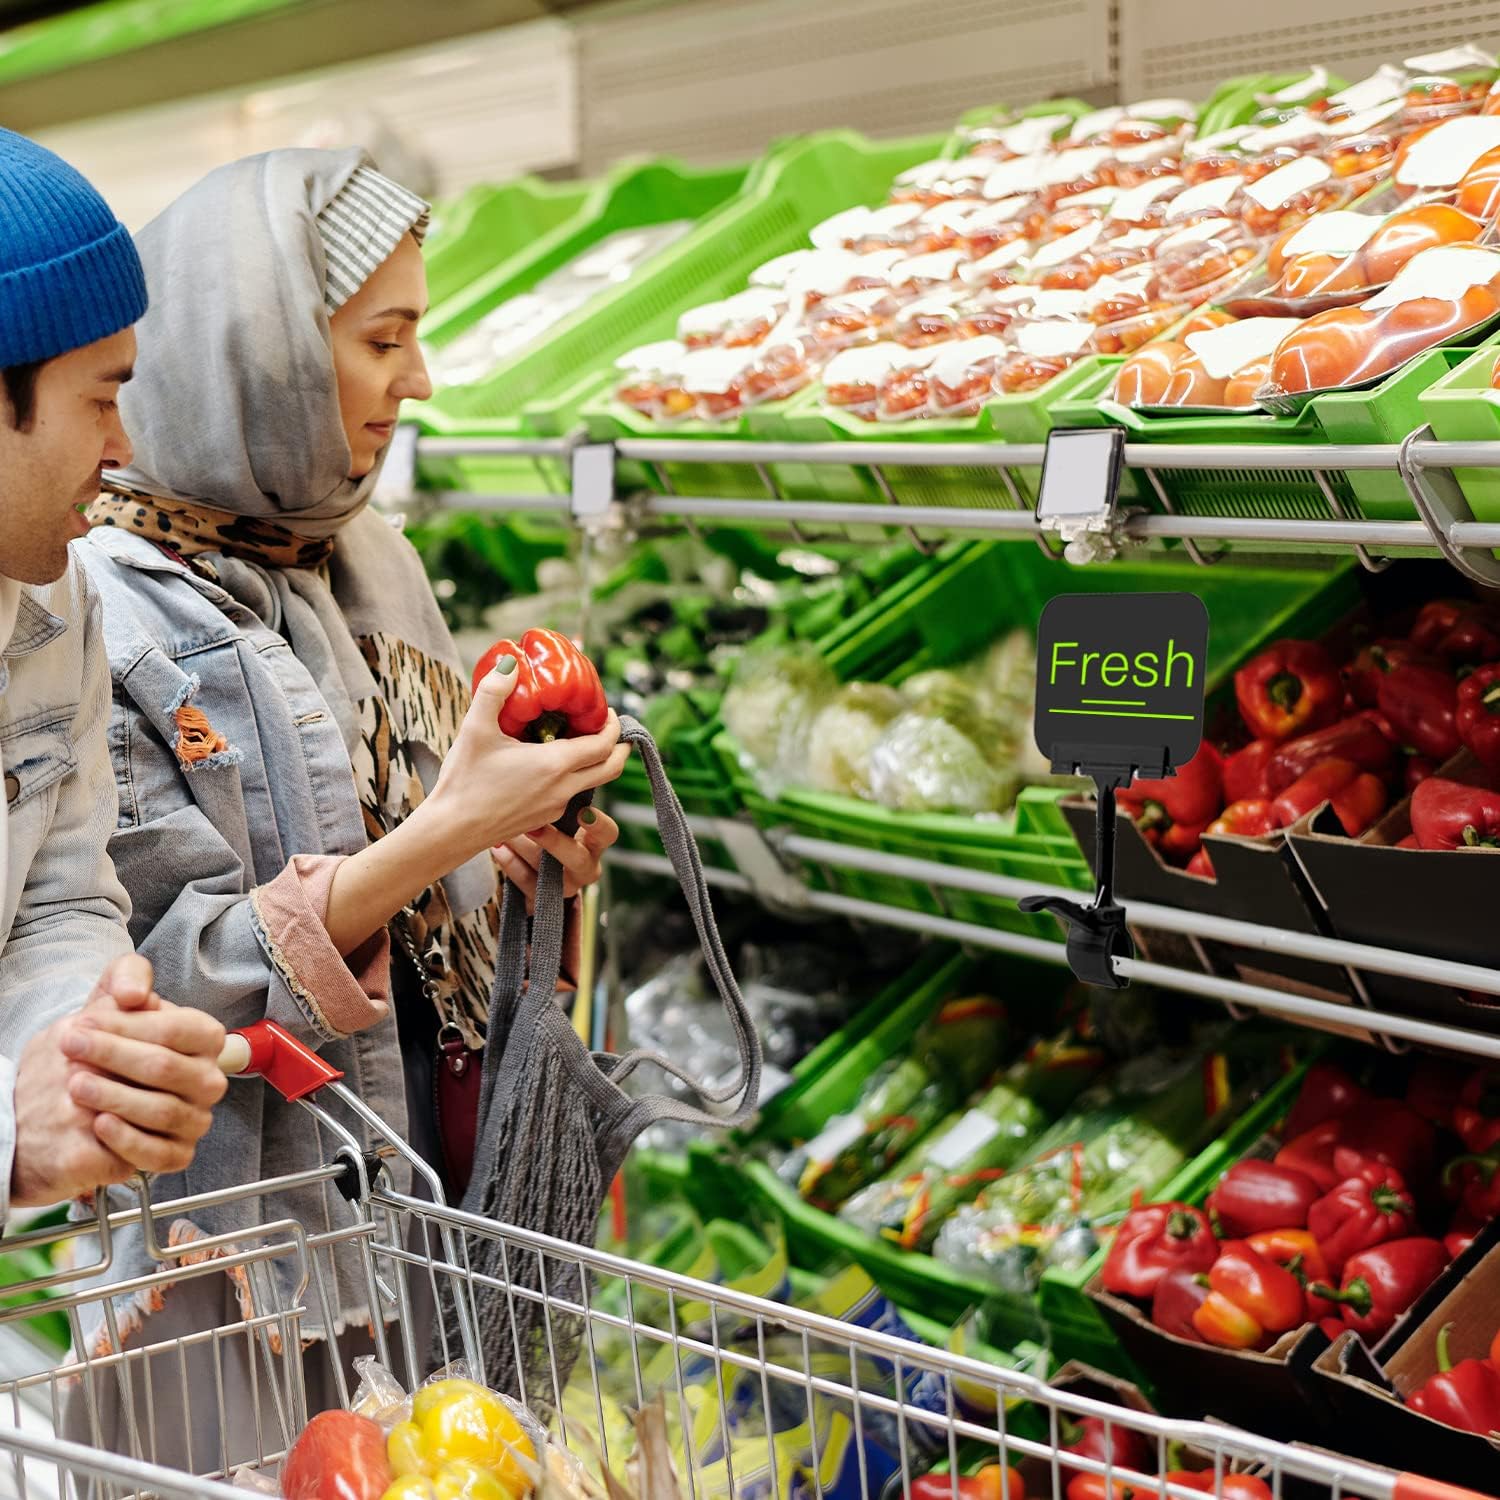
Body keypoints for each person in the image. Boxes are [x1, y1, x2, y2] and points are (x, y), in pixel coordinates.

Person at [71, 147, 628, 1471]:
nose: (417, 380)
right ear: (256, 351)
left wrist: (522, 858)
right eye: (382, 341)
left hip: (427, 1209)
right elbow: (158, 986)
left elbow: (434, 898)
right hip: (240, 1256)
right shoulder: (96, 609)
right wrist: (445, 833)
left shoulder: (364, 560)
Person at [0, 128, 228, 1222]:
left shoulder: (56, 604)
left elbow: (58, 897)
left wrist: (80, 1053)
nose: (124, 445)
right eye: (100, 398)